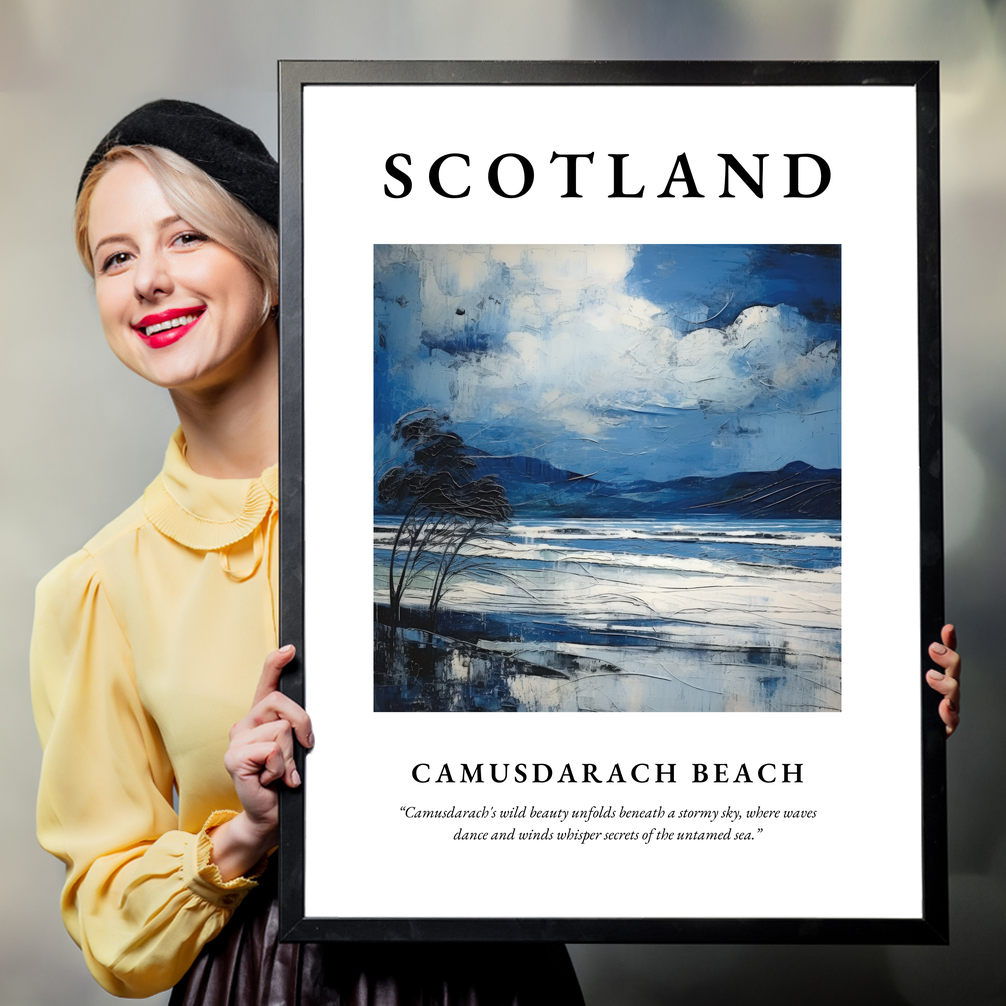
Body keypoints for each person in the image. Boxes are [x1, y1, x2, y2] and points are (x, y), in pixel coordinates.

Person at [30, 100, 586, 1004]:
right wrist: (244, 832)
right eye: (116, 257)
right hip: (263, 981)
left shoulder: (430, 498)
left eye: (185, 239)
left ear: (273, 264)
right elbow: (110, 922)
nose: (148, 281)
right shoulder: (97, 587)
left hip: (492, 973)